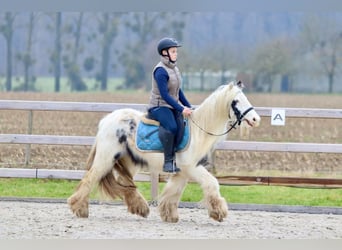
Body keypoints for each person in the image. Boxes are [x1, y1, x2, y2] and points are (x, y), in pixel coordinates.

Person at [147, 37, 193, 173]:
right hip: (159, 106)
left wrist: (189, 106)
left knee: (182, 126)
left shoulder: (174, 69)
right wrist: (181, 108)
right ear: (164, 53)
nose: (176, 54)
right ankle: (167, 162)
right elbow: (165, 95)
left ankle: (178, 159)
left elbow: (178, 91)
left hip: (171, 105)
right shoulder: (160, 71)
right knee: (172, 127)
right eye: (173, 51)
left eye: (175, 51)